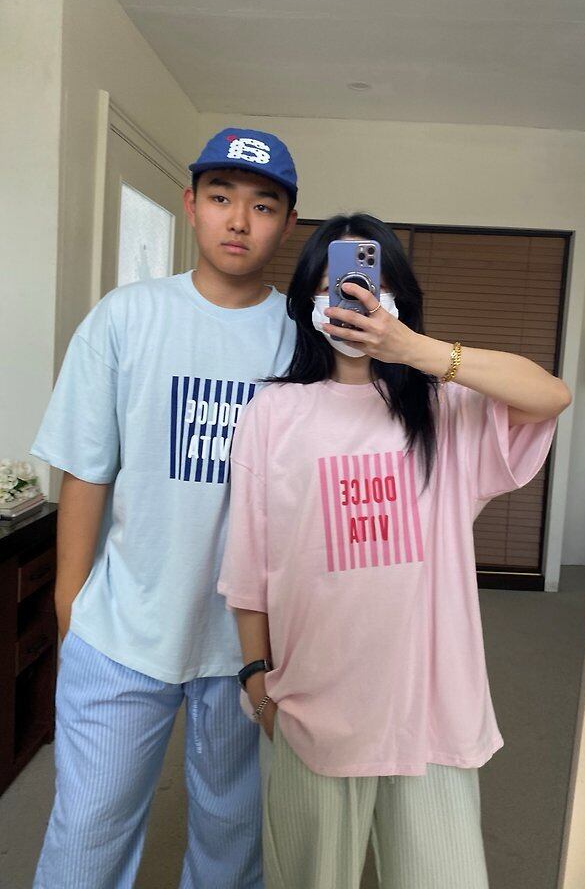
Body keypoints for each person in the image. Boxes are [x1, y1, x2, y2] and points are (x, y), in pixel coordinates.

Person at [218, 213, 572, 889]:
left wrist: (415, 350)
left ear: (399, 299)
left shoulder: (447, 407)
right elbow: (249, 565)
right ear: (308, 301)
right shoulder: (273, 413)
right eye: (333, 286)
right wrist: (257, 681)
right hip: (313, 707)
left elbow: (552, 395)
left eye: (370, 285)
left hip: (431, 710)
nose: (353, 300)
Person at [30, 128, 298, 889]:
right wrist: (70, 606)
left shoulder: (304, 340)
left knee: (233, 843)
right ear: (191, 205)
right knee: (87, 835)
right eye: (221, 198)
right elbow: (86, 472)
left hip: (250, 642)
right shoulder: (126, 317)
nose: (238, 220)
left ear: (286, 224)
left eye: (263, 206)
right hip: (123, 629)